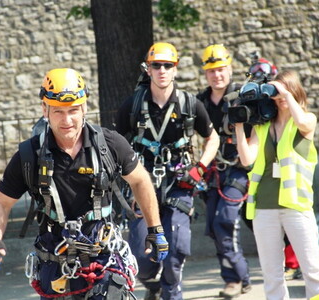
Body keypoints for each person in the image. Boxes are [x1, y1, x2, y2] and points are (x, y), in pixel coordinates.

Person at [0, 68, 169, 300]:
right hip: (54, 264)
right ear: (44, 110)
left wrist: (155, 229)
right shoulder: (29, 155)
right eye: (58, 112)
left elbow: (140, 180)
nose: (67, 120)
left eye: (73, 111)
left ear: (85, 108)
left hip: (104, 258)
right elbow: (1, 202)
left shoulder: (110, 145)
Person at [115, 42, 220, 300]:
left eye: (167, 65)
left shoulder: (189, 104)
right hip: (141, 185)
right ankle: (155, 286)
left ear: (175, 69)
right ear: (148, 69)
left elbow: (213, 138)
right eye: (156, 65)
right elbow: (114, 144)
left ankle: (172, 293)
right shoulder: (133, 105)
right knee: (142, 257)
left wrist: (200, 168)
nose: (162, 70)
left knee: (176, 251)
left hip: (179, 183)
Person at [235, 70, 319, 299]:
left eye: (282, 93)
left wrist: (286, 94)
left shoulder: (306, 120)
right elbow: (247, 159)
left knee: (313, 270)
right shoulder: (263, 126)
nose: (277, 98)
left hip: (296, 206)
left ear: (294, 91)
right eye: (274, 94)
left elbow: (303, 123)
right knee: (272, 274)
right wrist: (238, 126)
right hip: (263, 208)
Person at [195, 44, 252, 298]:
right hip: (213, 172)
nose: (217, 75)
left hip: (239, 169)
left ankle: (240, 275)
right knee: (212, 227)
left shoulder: (244, 96)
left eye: (221, 70)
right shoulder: (200, 102)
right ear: (206, 74)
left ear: (229, 69)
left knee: (225, 222)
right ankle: (235, 278)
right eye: (212, 71)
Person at [248, 56, 302, 281]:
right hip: (263, 180)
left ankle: (292, 262)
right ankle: (284, 258)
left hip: (294, 189)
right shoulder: (262, 109)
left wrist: (283, 93)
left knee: (294, 229)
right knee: (250, 217)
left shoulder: (295, 114)